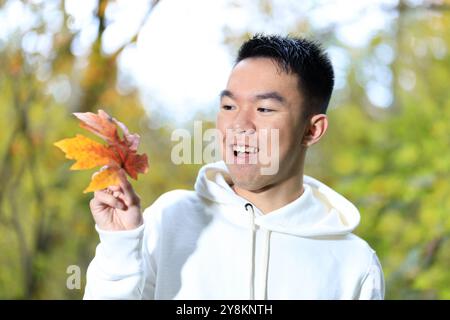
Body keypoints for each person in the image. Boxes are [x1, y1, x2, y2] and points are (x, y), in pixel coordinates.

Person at [83, 34, 385, 300]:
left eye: (264, 109)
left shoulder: (353, 263)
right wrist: (120, 247)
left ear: (312, 130)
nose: (239, 125)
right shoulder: (169, 221)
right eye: (228, 107)